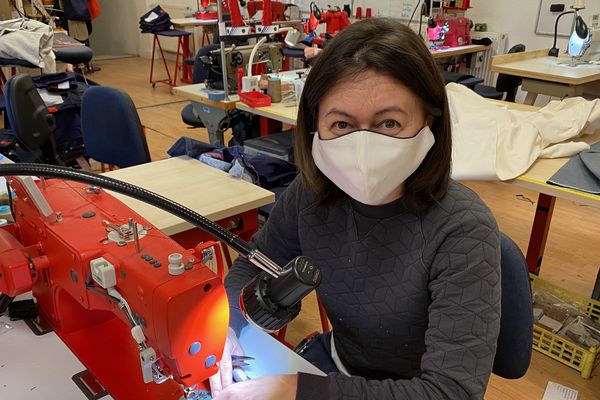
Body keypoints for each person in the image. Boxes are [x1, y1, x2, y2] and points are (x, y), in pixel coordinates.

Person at [210, 18, 501, 400]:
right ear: (316, 125)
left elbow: (451, 392)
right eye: (342, 124)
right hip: (339, 366)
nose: (364, 146)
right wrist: (232, 330)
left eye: (390, 123)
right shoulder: (310, 195)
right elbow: (252, 266)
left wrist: (299, 391)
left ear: (430, 121)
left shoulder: (463, 229)